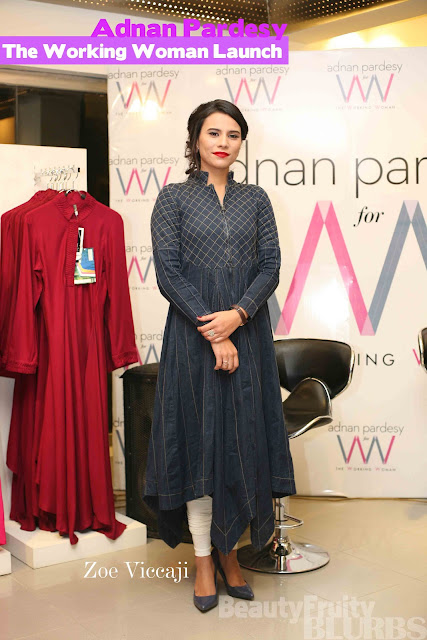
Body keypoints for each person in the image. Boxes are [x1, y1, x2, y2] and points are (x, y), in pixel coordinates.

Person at [142, 99, 296, 612]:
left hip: (248, 336)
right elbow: (168, 273)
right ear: (195, 139)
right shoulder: (173, 199)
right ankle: (204, 559)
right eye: (213, 132)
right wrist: (215, 329)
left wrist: (239, 315)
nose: (223, 142)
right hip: (194, 339)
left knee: (242, 445)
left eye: (233, 134)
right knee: (201, 447)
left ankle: (232, 554)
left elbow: (271, 266)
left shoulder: (256, 199)